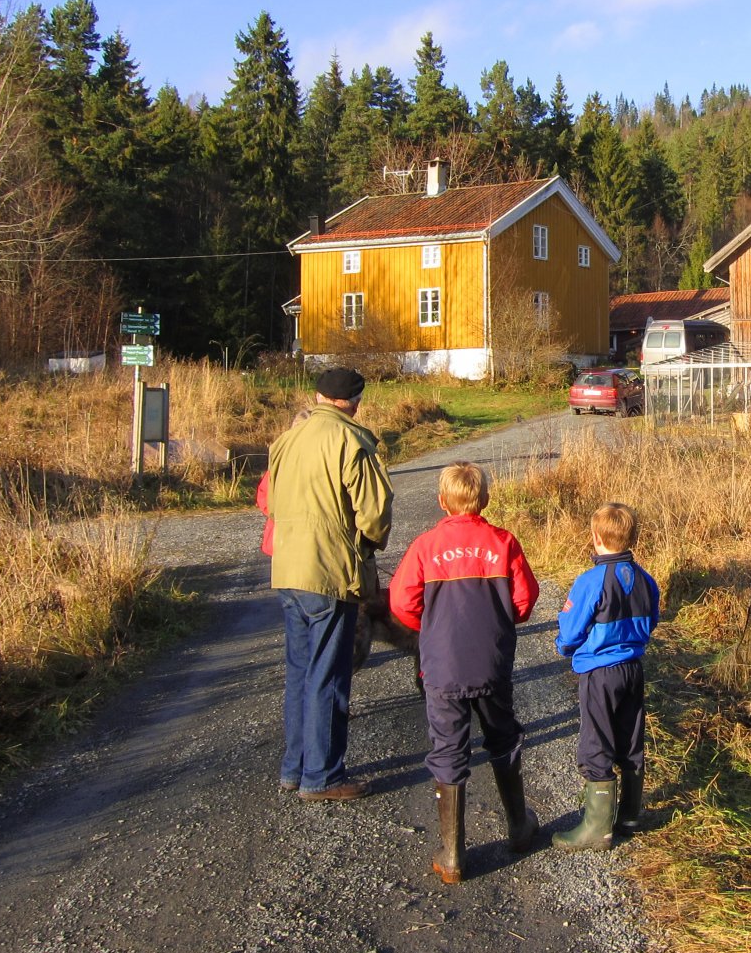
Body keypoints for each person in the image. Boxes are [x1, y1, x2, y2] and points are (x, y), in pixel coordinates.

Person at [389, 462, 540, 884]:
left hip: (442, 667)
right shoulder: (503, 542)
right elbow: (525, 600)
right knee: (503, 737)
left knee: (448, 748)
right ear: (485, 500)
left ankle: (453, 854)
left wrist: (432, 628)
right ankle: (518, 826)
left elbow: (402, 603)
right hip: (491, 664)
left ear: (441, 502)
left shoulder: (425, 546)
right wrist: (498, 620)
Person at [268, 367, 393, 802]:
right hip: (328, 571)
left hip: (287, 569)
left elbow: (270, 499)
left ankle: (295, 767)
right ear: (354, 400)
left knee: (300, 672)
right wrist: (370, 545)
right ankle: (322, 776)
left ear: (319, 396)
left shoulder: (285, 441)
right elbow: (375, 513)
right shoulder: (353, 440)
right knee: (329, 675)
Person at [553, 503, 661, 852]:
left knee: (596, 740)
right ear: (633, 537)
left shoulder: (590, 581)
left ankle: (597, 828)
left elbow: (570, 632)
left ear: (595, 537)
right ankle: (629, 815)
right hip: (633, 669)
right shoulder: (646, 580)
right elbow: (652, 621)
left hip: (600, 672)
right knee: (631, 737)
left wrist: (565, 648)